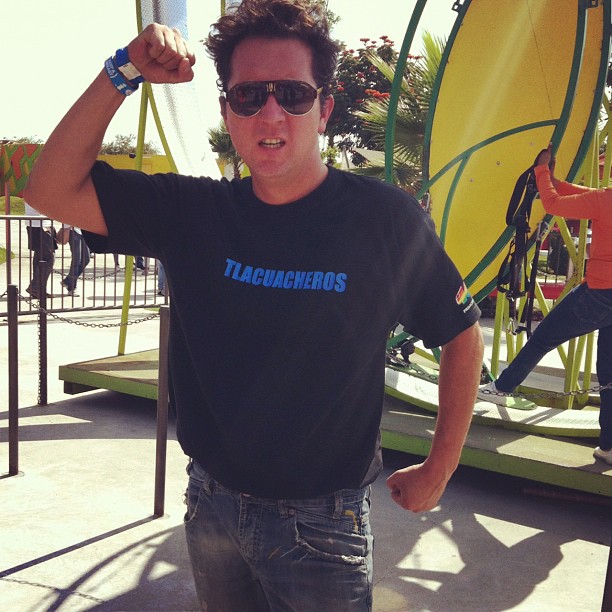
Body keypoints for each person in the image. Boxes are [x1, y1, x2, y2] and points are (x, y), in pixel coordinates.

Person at [24, 1, 484, 609]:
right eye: (248, 96)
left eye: (293, 94)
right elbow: (50, 188)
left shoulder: (383, 220)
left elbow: (461, 332)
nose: (271, 113)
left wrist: (440, 467)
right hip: (211, 505)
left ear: (324, 109)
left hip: (324, 524)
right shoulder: (193, 213)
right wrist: (124, 69)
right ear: (227, 112)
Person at [479, 144, 612, 466]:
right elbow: (580, 194)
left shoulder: (606, 200)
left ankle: (502, 387)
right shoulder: (602, 198)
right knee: (609, 376)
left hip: (599, 292)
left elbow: (554, 204)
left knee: (543, 338)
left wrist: (540, 169)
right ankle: (609, 447)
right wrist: (550, 179)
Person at [24, 201, 56, 299]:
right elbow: (45, 206)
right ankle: (35, 287)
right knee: (49, 258)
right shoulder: (36, 192)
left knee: (40, 257)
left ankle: (39, 289)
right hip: (39, 225)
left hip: (40, 224)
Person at [61, 225, 91, 295]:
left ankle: (68, 280)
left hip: (84, 229)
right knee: (76, 260)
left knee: (86, 259)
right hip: (73, 230)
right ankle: (72, 288)